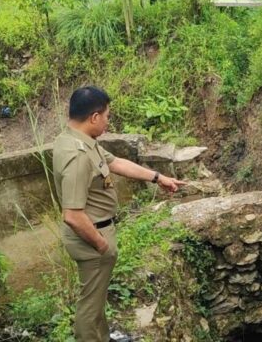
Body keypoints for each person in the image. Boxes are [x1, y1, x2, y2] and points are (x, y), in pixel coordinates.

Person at [53, 87, 185, 341]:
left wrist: (158, 178)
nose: (108, 121)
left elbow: (116, 164)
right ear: (94, 117)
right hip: (92, 238)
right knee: (89, 309)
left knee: (96, 297)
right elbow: (72, 214)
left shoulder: (74, 140)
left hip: (97, 232)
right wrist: (102, 246)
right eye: (106, 116)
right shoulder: (78, 157)